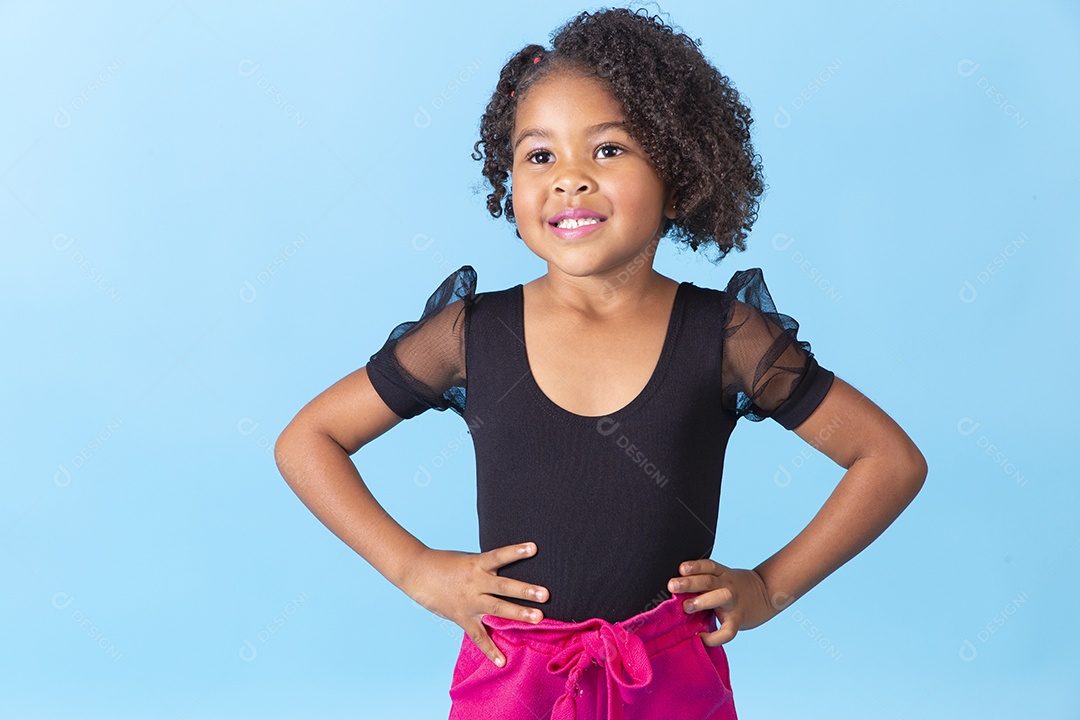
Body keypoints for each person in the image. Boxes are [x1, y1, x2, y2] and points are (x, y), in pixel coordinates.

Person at [274, 6, 927, 719]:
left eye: (608, 150)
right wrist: (416, 568)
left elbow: (887, 460)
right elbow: (308, 439)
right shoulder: (471, 334)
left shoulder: (725, 337)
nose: (571, 180)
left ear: (677, 170)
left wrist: (769, 588)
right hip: (512, 684)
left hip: (670, 682)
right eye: (540, 156)